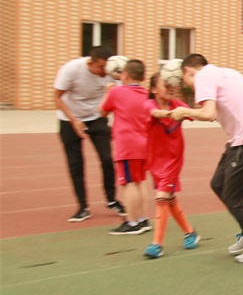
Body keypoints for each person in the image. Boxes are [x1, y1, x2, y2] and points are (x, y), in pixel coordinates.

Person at [170, 54, 243, 263]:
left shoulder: (202, 76)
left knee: (233, 196)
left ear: (188, 71)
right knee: (218, 183)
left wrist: (184, 111)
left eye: (185, 82)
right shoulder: (230, 72)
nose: (190, 87)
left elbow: (208, 114)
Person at [53, 46, 125, 222]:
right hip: (69, 119)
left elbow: (117, 99)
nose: (104, 73)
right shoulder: (71, 69)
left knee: (108, 159)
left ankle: (111, 199)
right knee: (76, 164)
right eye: (100, 68)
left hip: (96, 117)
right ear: (90, 63)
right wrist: (74, 121)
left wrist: (116, 123)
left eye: (106, 69)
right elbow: (57, 97)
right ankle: (82, 207)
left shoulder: (112, 71)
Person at [143, 72, 199, 258]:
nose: (170, 88)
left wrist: (199, 110)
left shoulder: (179, 106)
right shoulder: (149, 104)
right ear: (153, 89)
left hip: (173, 160)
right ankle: (190, 232)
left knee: (161, 197)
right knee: (169, 197)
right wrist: (172, 114)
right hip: (155, 160)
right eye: (165, 84)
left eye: (172, 84)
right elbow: (155, 113)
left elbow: (196, 114)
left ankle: (156, 244)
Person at [99, 59, 153, 235]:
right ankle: (142, 219)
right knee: (140, 181)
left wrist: (107, 92)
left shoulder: (116, 92)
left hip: (127, 145)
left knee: (128, 182)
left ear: (125, 75)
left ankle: (131, 221)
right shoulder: (147, 94)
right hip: (145, 143)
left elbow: (102, 111)